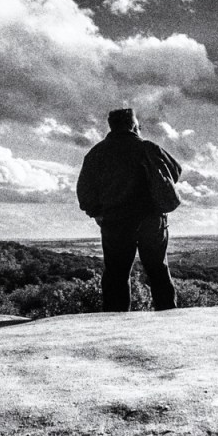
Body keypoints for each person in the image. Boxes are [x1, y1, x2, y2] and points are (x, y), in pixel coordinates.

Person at [76, 108, 181, 312]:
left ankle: (116, 323)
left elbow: (84, 191)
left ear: (112, 126)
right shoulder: (148, 147)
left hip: (115, 221)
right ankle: (168, 318)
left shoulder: (96, 153)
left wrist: (96, 213)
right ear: (133, 125)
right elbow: (175, 172)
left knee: (116, 274)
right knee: (158, 269)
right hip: (151, 220)